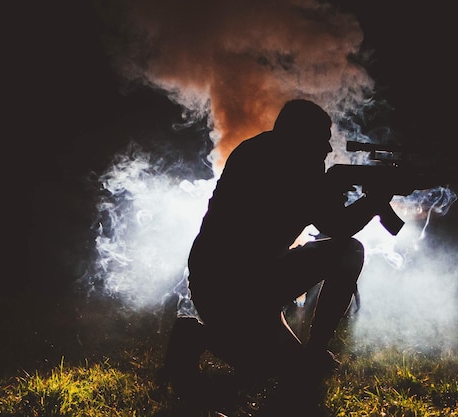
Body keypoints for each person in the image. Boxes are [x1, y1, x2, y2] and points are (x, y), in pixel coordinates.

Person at [158, 99, 403, 396]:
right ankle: (197, 337)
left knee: (290, 367)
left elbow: (321, 217)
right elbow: (337, 227)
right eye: (321, 139)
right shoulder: (295, 165)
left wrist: (344, 196)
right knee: (348, 252)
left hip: (238, 281)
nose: (327, 149)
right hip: (235, 289)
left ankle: (243, 342)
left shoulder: (260, 151)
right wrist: (374, 201)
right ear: (301, 136)